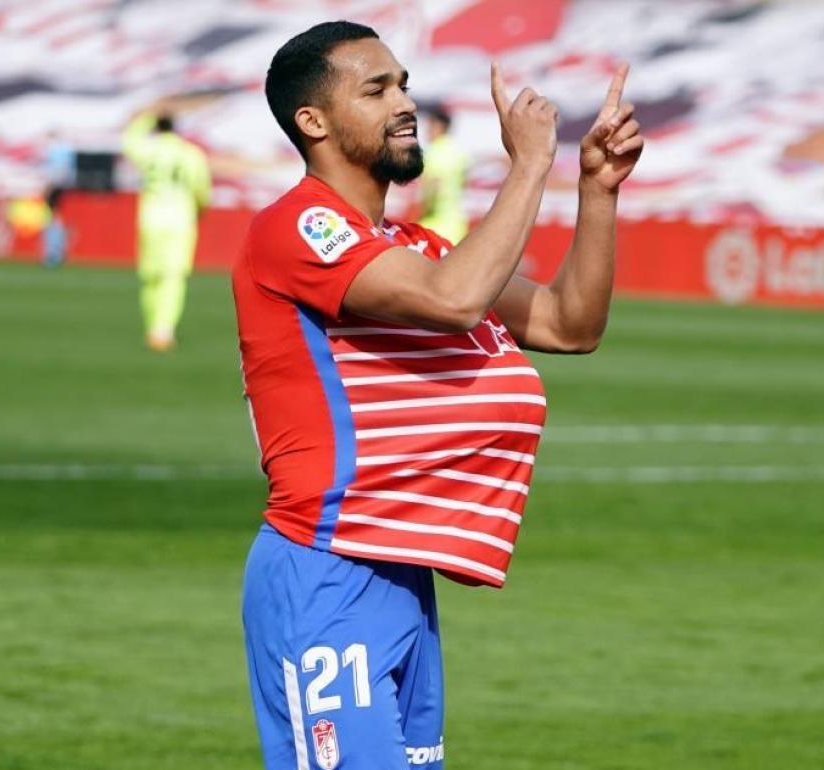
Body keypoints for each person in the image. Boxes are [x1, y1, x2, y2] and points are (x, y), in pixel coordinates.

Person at [233, 20, 643, 770]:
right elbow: (455, 302)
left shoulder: (415, 246)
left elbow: (566, 322)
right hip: (328, 568)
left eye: (404, 85)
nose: (403, 103)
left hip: (401, 572)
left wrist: (598, 190)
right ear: (313, 121)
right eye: (376, 88)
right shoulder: (299, 226)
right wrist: (530, 165)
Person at [122, 110, 211, 351]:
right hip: (180, 220)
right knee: (173, 276)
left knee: (150, 275)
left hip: (150, 218)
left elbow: (128, 140)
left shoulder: (149, 150)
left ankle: (152, 325)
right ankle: (162, 330)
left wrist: (145, 118)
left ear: (157, 126)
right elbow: (201, 189)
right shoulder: (191, 154)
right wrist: (199, 210)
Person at [417, 103, 469, 243]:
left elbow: (435, 185)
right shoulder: (457, 152)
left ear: (439, 127)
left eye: (430, 126)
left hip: (435, 225)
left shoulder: (434, 153)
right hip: (456, 225)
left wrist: (422, 209)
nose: (427, 131)